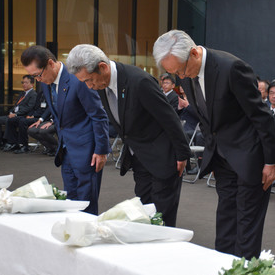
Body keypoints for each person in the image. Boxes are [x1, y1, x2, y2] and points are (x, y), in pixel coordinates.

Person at [153, 30, 275, 259]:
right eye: (172, 73)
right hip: (222, 157)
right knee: (225, 219)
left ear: (193, 53)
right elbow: (205, 117)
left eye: (180, 70)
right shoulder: (184, 73)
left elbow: (261, 116)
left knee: (247, 224)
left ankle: (244, 273)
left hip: (250, 156)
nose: (179, 76)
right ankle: (222, 266)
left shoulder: (231, 68)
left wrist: (272, 161)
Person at [66, 44, 191, 227]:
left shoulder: (139, 81)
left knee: (162, 217)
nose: (89, 86)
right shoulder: (101, 84)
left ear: (103, 67)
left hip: (163, 156)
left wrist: (182, 154)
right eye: (84, 82)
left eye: (90, 80)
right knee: (143, 212)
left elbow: (169, 118)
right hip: (139, 157)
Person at [21, 45, 110, 215]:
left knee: (86, 204)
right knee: (70, 201)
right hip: (66, 150)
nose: (37, 80)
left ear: (50, 64)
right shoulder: (46, 83)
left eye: (37, 75)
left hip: (87, 151)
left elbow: (98, 115)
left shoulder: (78, 79)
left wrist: (101, 150)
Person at [0, 75, 37, 149]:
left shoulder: (33, 94)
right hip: (14, 114)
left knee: (9, 121)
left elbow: (29, 108)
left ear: (32, 84)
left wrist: (15, 114)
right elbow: (15, 106)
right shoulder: (22, 94)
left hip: (22, 116)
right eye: (23, 82)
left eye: (26, 82)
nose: (24, 84)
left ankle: (10, 141)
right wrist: (11, 112)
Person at [2, 89, 50, 153]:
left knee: (23, 121)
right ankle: (12, 142)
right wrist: (30, 115)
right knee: (12, 120)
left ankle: (24, 146)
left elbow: (47, 110)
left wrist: (34, 116)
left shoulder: (52, 93)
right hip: (34, 115)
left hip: (42, 118)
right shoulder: (41, 93)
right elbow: (34, 107)